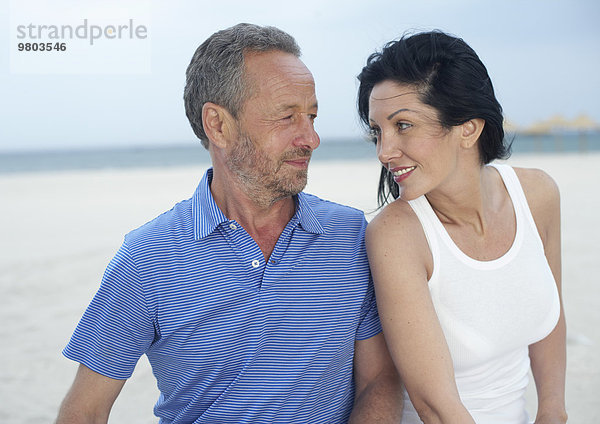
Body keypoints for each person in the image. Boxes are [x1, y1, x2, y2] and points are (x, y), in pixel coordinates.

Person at [55, 23, 401, 423]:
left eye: (311, 116)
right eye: (286, 117)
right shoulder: (146, 259)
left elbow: (379, 377)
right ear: (218, 125)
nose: (311, 137)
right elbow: (85, 410)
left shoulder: (351, 235)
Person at [357, 31, 567, 424]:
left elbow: (550, 318)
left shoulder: (538, 195)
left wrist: (553, 411)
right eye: (378, 131)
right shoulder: (396, 235)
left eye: (403, 126)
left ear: (468, 129)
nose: (384, 151)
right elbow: (436, 407)